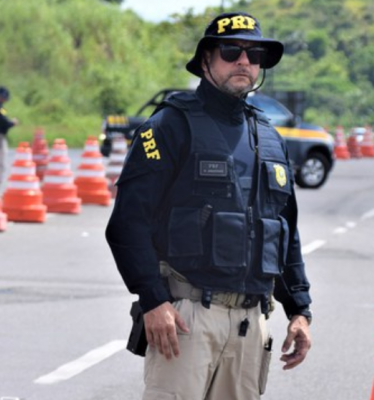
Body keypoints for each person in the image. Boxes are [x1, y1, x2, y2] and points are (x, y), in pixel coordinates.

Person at [105, 12, 312, 400]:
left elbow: (284, 232)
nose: (244, 61)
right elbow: (128, 224)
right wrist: (153, 300)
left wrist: (300, 309)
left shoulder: (270, 138)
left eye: (254, 55)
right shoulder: (169, 126)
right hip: (187, 319)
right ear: (206, 60)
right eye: (231, 51)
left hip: (252, 323)